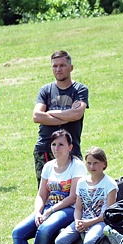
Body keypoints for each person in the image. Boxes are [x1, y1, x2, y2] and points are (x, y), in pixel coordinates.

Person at [12, 130, 84, 244]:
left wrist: (49, 211)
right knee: (18, 232)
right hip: (48, 208)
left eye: (61, 145)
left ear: (70, 147)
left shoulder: (77, 166)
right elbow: (41, 195)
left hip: (69, 209)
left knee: (45, 229)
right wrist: (38, 212)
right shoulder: (48, 166)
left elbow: (73, 197)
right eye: (53, 144)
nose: (56, 148)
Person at [54, 147, 118, 244]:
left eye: (96, 163)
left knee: (89, 241)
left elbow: (108, 213)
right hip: (82, 220)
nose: (91, 166)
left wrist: (89, 223)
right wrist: (77, 221)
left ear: (104, 164)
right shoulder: (82, 183)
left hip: (100, 222)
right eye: (89, 163)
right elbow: (78, 208)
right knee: (61, 240)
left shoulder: (110, 184)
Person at [32, 51, 89, 184]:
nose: (58, 69)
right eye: (55, 66)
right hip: (45, 148)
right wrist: (66, 115)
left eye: (62, 65)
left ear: (71, 68)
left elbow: (76, 114)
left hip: (71, 147)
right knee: (46, 192)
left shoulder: (80, 90)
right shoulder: (45, 90)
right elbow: (36, 116)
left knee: (74, 192)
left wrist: (50, 112)